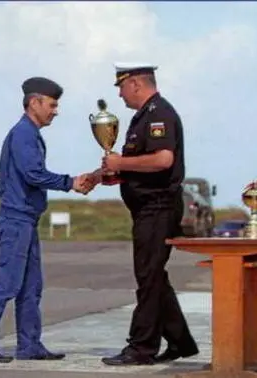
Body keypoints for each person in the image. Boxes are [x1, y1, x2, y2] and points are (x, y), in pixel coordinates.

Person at [0, 77, 92, 363]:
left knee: (31, 287)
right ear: (34, 102)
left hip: (27, 220)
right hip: (16, 220)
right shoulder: (24, 134)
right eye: (51, 104)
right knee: (7, 284)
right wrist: (70, 182)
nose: (55, 111)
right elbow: (33, 174)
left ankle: (29, 344)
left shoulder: (30, 133)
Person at [93, 63, 199, 366]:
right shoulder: (142, 118)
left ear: (136, 84)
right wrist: (110, 172)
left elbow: (163, 159)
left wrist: (122, 164)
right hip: (146, 207)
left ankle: (142, 347)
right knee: (154, 277)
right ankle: (180, 341)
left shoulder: (158, 114)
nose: (120, 94)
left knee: (148, 278)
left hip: (158, 206)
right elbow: (137, 163)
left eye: (122, 87)